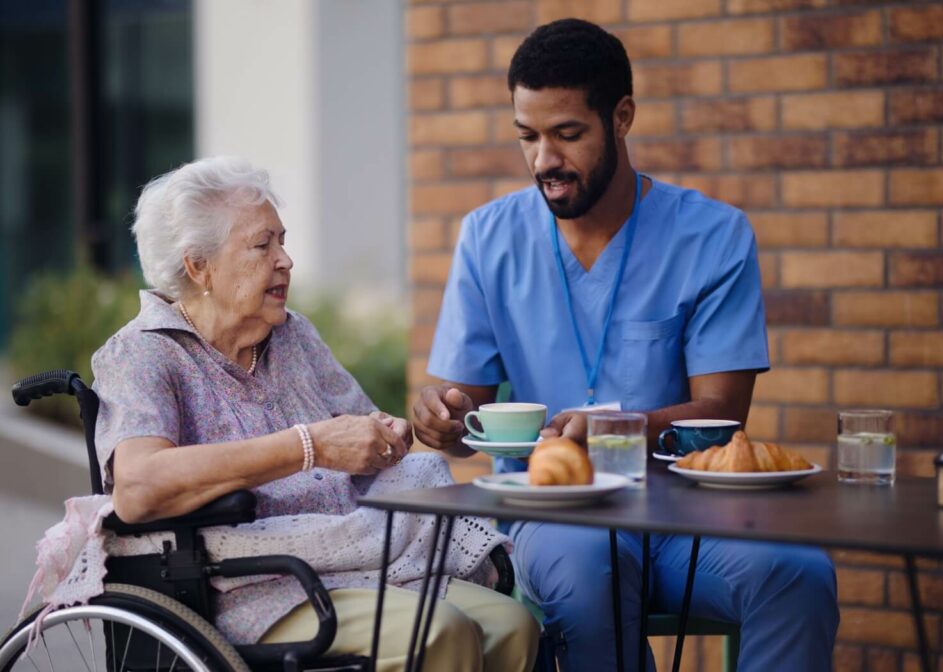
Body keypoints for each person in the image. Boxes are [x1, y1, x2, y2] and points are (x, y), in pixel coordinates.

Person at [413, 18, 839, 672]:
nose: (544, 160)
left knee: (799, 575)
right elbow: (463, 400)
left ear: (622, 117)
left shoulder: (713, 235)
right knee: (585, 576)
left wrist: (616, 428)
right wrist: (438, 417)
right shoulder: (487, 237)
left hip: (687, 519)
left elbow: (724, 413)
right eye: (528, 137)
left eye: (568, 134)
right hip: (554, 517)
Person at [89, 156, 538, 672]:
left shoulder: (292, 335)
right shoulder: (145, 353)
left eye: (283, 240)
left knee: (513, 625)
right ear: (199, 266)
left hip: (346, 560)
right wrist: (310, 446)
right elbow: (140, 486)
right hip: (243, 587)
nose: (286, 260)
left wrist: (402, 427)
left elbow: (367, 435)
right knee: (437, 634)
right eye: (263, 245)